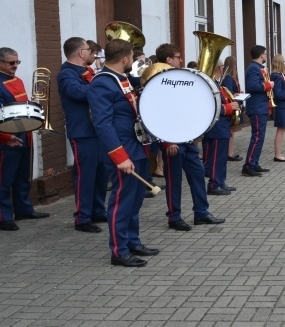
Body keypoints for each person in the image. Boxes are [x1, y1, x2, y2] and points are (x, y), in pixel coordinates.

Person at [87, 39, 156, 266]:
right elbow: (102, 124)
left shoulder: (121, 78)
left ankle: (132, 241)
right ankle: (119, 250)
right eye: (132, 58)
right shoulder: (102, 83)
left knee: (135, 200)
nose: (133, 61)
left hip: (137, 146)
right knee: (121, 201)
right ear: (125, 58)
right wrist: (120, 157)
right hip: (123, 150)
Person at [154, 43, 226, 231]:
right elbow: (155, 115)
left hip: (187, 139)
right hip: (171, 141)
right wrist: (166, 141)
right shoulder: (158, 82)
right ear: (169, 59)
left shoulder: (180, 78)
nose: (181, 60)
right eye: (178, 57)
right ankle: (174, 217)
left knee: (197, 174)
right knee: (174, 180)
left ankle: (201, 212)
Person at [57, 37, 108, 233]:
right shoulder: (67, 73)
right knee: (85, 176)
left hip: (97, 130)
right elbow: (77, 92)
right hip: (83, 132)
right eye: (88, 49)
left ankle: (97, 210)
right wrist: (102, 85)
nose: (91, 53)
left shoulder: (89, 71)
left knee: (101, 174)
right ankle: (82, 217)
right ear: (80, 53)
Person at [0, 47, 51, 231]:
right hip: (7, 138)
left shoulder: (18, 80)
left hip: (24, 134)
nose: (15, 66)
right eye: (11, 62)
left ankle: (23, 209)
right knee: (4, 179)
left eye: (17, 62)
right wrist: (6, 136)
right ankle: (4, 217)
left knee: (23, 176)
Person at [204, 61, 241, 196]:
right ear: (219, 68)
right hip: (216, 127)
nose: (223, 68)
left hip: (223, 126)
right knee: (215, 158)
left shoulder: (218, 84)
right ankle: (213, 184)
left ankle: (220, 181)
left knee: (222, 158)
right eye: (222, 66)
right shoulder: (210, 84)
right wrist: (228, 108)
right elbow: (209, 106)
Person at [243, 45, 273, 177]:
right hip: (256, 107)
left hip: (261, 107)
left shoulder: (257, 68)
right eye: (265, 54)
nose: (266, 56)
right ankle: (248, 165)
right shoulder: (253, 68)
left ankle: (254, 162)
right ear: (261, 55)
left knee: (259, 137)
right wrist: (268, 85)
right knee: (257, 137)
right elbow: (252, 86)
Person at [269, 55, 285, 161]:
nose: (284, 63)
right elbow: (278, 93)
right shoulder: (276, 76)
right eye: (283, 62)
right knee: (280, 129)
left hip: (284, 105)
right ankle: (277, 154)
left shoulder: (280, 75)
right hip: (281, 106)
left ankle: (278, 152)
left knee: (282, 129)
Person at [221, 56, 242, 161]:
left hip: (234, 104)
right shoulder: (228, 78)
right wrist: (235, 95)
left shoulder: (231, 77)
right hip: (231, 105)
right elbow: (229, 92)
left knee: (232, 130)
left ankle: (230, 151)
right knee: (231, 130)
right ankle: (230, 152)